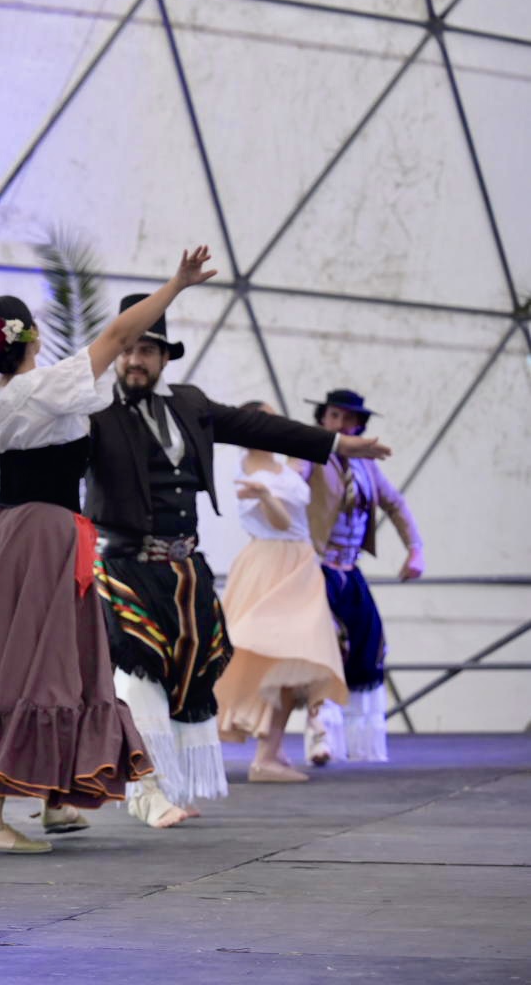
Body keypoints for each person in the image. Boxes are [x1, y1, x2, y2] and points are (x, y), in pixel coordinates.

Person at [0, 255, 217, 852]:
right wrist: (177, 284)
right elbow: (120, 334)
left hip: (2, 534)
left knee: (56, 659)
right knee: (26, 662)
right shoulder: (46, 387)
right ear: (30, 337)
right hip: (41, 538)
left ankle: (55, 798)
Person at [88, 297, 392, 827]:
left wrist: (338, 444)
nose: (134, 360)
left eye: (146, 350)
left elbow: (261, 429)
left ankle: (173, 785)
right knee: (138, 675)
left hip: (184, 571)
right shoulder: (94, 413)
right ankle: (146, 790)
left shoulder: (189, 404)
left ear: (164, 357)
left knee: (187, 677)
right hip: (125, 568)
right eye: (127, 349)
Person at [212, 404, 349, 781]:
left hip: (298, 564)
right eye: (267, 420)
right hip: (272, 566)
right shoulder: (247, 473)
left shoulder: (282, 464)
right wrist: (265, 495)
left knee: (294, 660)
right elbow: (281, 521)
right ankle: (265, 755)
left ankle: (270, 751)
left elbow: (306, 492)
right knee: (277, 654)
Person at [303, 389, 424, 765]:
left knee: (367, 647)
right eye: (334, 416)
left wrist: (415, 548)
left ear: (359, 425)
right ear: (323, 419)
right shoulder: (311, 455)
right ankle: (320, 734)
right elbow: (291, 483)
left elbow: (395, 503)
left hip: (348, 570)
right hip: (316, 568)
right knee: (324, 649)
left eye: (349, 419)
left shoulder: (365, 465)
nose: (341, 424)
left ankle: (358, 743)